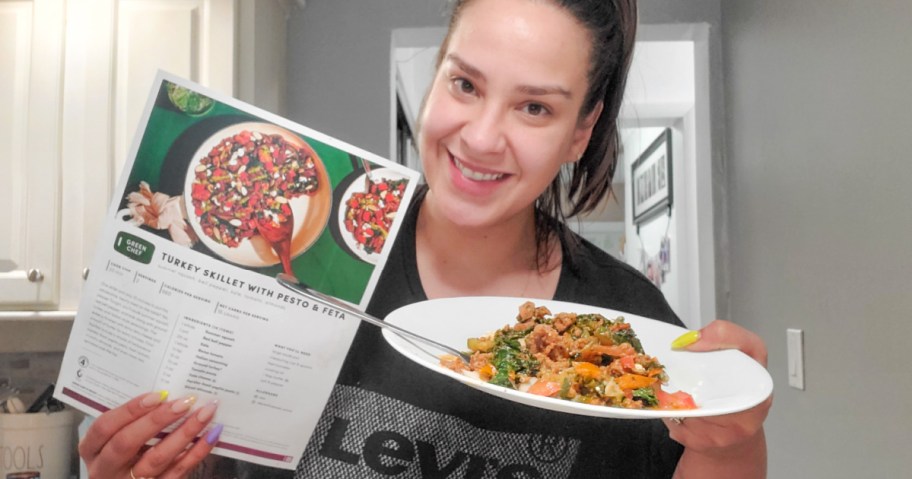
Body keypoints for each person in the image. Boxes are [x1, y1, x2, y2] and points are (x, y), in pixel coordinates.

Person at [79, 0, 772, 477]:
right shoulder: (306, 255)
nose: (479, 137)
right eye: (465, 84)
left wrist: (734, 437)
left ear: (581, 132)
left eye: (535, 106)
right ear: (435, 74)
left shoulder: (629, 328)